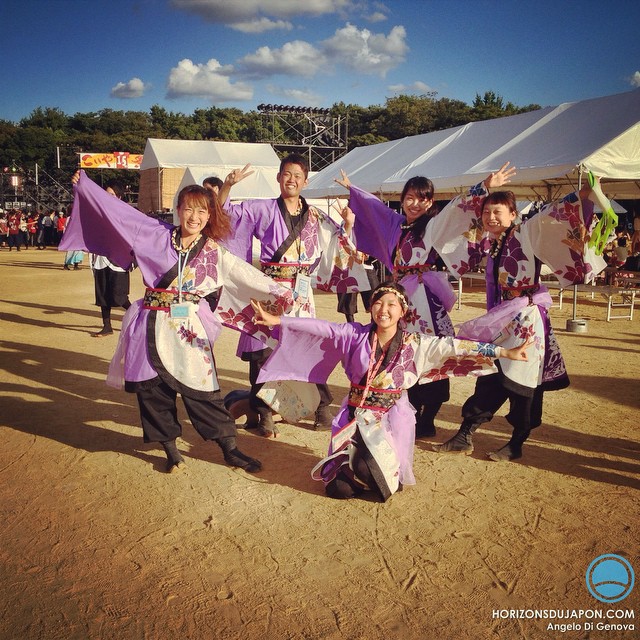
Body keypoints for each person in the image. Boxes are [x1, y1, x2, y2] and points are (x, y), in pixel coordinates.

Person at [60, 171, 295, 474]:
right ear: (178, 209)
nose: (194, 216)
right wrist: (86, 188)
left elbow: (247, 276)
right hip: (149, 324)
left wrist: (283, 294)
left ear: (210, 214)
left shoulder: (214, 253)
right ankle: (171, 452)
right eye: (188, 208)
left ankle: (230, 449)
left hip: (188, 331)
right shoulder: (153, 234)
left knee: (204, 392)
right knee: (152, 393)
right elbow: (119, 213)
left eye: (202, 210)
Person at [252, 282, 533, 501]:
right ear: (371, 307)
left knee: (377, 479)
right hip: (353, 417)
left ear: (402, 311)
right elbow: (323, 328)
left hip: (390, 417)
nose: (383, 309)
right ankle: (359, 472)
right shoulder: (355, 335)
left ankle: (374, 472)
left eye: (391, 304)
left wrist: (504, 351)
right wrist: (279, 322)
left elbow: (458, 346)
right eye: (377, 302)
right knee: (338, 490)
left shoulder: (417, 343)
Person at [427, 162, 606, 461]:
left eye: (498, 212)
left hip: (525, 318)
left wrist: (584, 195)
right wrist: (483, 187)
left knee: (523, 381)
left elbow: (556, 217)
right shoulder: (489, 242)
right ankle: (464, 434)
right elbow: (451, 224)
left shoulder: (527, 232)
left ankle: (516, 442)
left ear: (513, 214)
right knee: (490, 373)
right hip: (501, 318)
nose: (490, 217)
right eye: (486, 212)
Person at [218, 153, 371, 437]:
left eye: (297, 176)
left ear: (305, 181)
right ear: (278, 177)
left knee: (307, 350)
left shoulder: (315, 215)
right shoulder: (261, 208)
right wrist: (227, 187)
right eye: (287, 174)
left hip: (300, 293)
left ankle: (322, 409)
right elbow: (225, 217)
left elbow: (338, 242)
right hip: (269, 290)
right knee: (262, 353)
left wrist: (348, 224)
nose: (291, 180)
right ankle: (262, 412)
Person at [334, 172, 457, 439]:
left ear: (431, 202)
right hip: (401, 299)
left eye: (422, 199)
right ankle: (409, 412)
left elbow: (458, 211)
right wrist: (354, 189)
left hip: (427, 301)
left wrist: (483, 188)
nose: (415, 204)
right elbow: (375, 209)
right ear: (402, 200)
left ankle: (429, 417)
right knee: (402, 354)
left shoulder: (434, 225)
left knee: (433, 355)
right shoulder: (397, 226)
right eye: (410, 198)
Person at [89, 179, 132, 338]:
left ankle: (138, 316)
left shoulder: (127, 213)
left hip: (118, 260)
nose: (109, 197)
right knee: (102, 294)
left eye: (113, 194)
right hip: (101, 258)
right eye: (107, 194)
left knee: (119, 296)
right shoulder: (99, 212)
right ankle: (107, 326)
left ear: (119, 196)